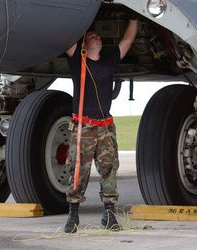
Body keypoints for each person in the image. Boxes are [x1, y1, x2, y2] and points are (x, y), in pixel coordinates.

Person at [63, 18, 138, 233]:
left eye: (98, 35)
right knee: (79, 170)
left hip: (105, 126)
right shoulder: (78, 59)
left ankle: (109, 214)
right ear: (84, 43)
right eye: (91, 35)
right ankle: (73, 214)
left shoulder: (110, 59)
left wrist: (134, 18)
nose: (96, 36)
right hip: (83, 127)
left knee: (108, 168)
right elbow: (66, 37)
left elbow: (128, 39)